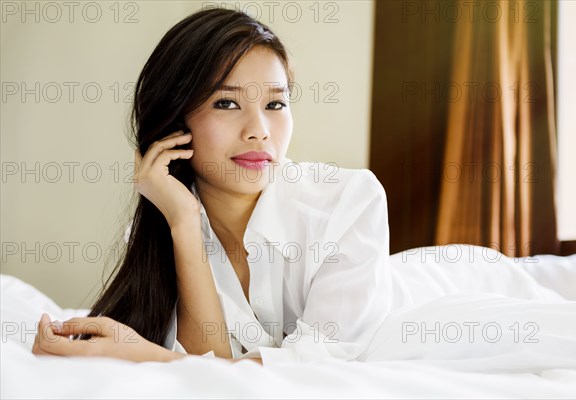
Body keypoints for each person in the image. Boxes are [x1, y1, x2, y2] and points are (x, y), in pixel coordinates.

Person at [32, 7, 399, 367]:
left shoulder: (350, 202)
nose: (259, 130)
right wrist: (185, 221)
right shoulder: (169, 224)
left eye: (275, 103)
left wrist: (149, 355)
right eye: (226, 102)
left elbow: (317, 367)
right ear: (176, 122)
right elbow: (210, 374)